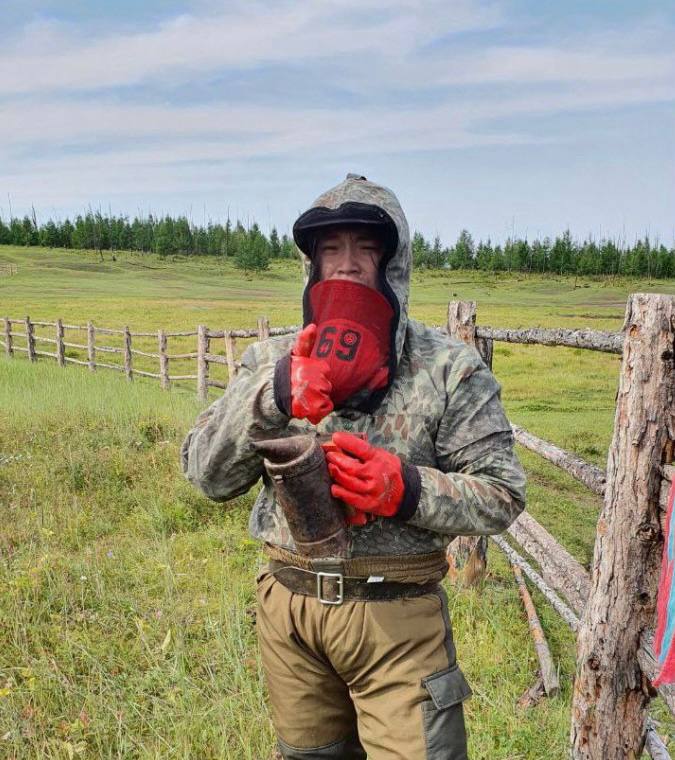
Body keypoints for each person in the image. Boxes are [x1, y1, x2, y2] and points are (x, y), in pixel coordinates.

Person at [181, 174, 526, 759]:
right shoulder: (271, 360)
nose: (346, 264)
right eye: (330, 249)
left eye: (366, 247)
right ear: (311, 265)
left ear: (393, 262)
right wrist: (272, 396)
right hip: (290, 611)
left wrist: (406, 489)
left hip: (398, 619)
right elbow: (206, 475)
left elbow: (502, 493)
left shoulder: (448, 368)